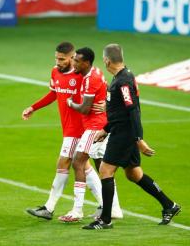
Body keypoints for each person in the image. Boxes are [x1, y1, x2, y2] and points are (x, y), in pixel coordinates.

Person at [82, 44, 180, 230]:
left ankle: (105, 219)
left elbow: (132, 110)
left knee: (105, 170)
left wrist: (139, 139)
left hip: (125, 134)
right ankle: (169, 205)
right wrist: (106, 128)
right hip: (120, 130)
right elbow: (120, 111)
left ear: (106, 60)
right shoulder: (121, 77)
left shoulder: (123, 81)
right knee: (134, 173)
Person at [22, 42, 106, 220]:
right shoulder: (55, 71)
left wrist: (106, 102)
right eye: (56, 58)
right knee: (85, 167)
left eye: (62, 59)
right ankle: (105, 205)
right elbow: (53, 93)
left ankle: (50, 208)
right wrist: (33, 107)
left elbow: (99, 89)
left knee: (64, 164)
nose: (58, 62)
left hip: (80, 128)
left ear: (72, 58)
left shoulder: (82, 75)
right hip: (67, 127)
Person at [58, 47, 122, 222]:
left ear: (86, 63)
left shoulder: (90, 79)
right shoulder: (95, 73)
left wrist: (70, 103)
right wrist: (108, 104)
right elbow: (108, 88)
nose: (74, 63)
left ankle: (77, 210)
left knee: (78, 162)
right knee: (104, 168)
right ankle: (114, 209)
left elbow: (85, 109)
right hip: (100, 125)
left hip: (95, 128)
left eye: (77, 61)